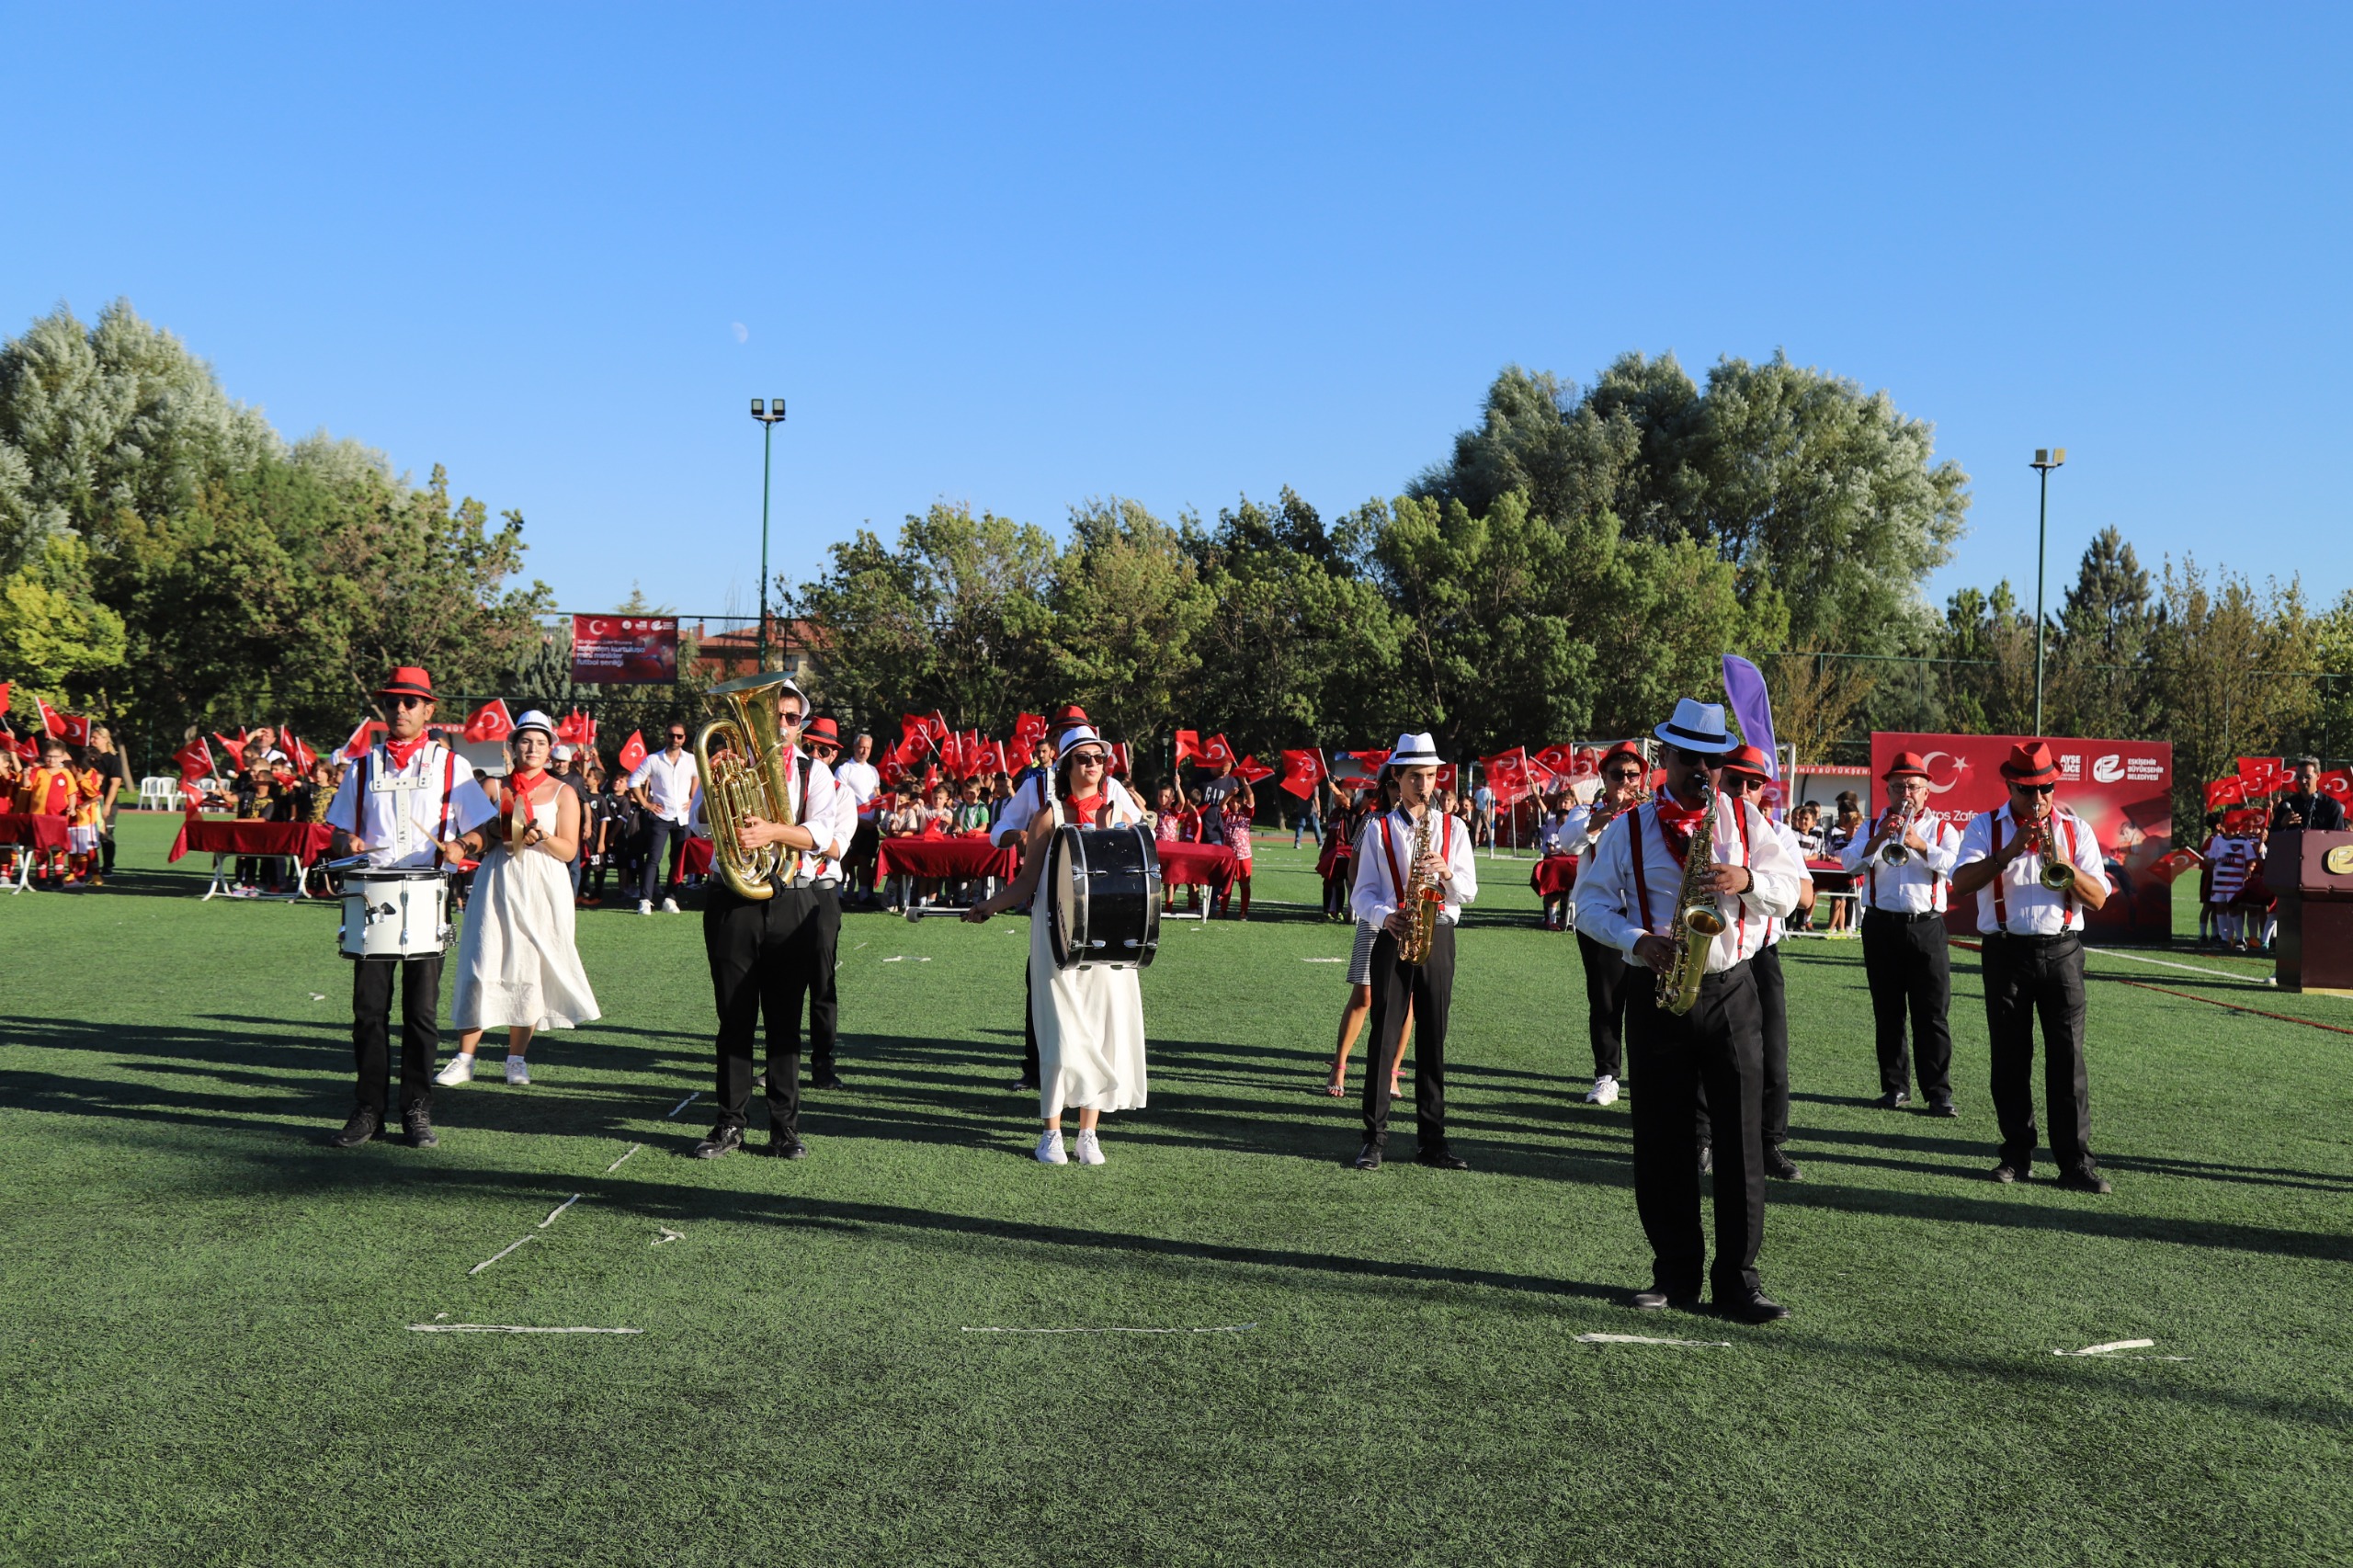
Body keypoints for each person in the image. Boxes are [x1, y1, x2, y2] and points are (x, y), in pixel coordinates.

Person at [1574, 699, 1802, 1324]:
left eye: (1711, 760)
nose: (1701, 769)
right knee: (1662, 1142)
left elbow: (1792, 890)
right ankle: (1673, 1274)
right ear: (1666, 758)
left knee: (1741, 1143)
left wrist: (1746, 880)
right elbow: (1589, 906)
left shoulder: (1748, 821)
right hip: (1659, 991)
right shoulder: (1629, 826)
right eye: (1688, 758)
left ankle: (1739, 1281)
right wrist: (1636, 941)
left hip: (1732, 990)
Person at [324, 665, 498, 1150]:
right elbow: (338, 831)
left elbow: (484, 830)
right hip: (372, 898)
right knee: (368, 1012)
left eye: (409, 702)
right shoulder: (362, 767)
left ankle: (416, 1109)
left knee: (421, 1013)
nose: (399, 709)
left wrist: (461, 845)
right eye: (392, 702)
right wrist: (347, 841)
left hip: (427, 895)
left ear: (428, 709)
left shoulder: (452, 765)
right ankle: (368, 1110)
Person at [963, 724, 1148, 1165]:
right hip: (1055, 936)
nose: (1093, 765)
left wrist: (1126, 823)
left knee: (1102, 1033)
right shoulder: (1048, 816)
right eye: (1084, 758)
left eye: (1099, 758)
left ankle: (1088, 1134)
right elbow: (1027, 881)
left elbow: (1139, 864)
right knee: (1059, 1034)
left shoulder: (1117, 812)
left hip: (1106, 939)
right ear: (1066, 766)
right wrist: (989, 906)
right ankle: (1050, 1132)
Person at [1949, 740, 2114, 1192]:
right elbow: (1961, 883)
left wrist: (2062, 864)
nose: (2038, 799)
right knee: (2009, 1058)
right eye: (2027, 790)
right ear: (2010, 786)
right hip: (2006, 952)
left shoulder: (2076, 829)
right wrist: (2008, 853)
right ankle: (2016, 1156)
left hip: (2063, 952)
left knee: (2068, 1060)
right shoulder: (1984, 826)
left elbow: (2098, 898)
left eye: (2046, 789)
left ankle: (2075, 1163)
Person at [690, 678, 842, 1160]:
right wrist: (714, 783)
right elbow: (697, 823)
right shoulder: (728, 763)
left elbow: (822, 834)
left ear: (800, 726)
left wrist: (772, 831)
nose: (781, 725)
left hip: (792, 899)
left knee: (784, 1021)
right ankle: (730, 1123)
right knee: (733, 1018)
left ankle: (784, 1128)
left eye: (791, 718)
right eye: (773, 714)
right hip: (733, 898)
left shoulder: (815, 772)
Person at [438, 712, 602, 1087]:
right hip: (498, 878)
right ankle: (464, 1058)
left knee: (529, 970)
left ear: (550, 749)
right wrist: (481, 837)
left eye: (541, 742)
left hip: (543, 885)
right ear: (513, 746)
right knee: (481, 961)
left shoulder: (563, 792)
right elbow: (479, 836)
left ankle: (516, 1060)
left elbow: (568, 850)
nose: (533, 748)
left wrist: (541, 836)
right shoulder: (494, 787)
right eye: (526, 741)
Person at [1347, 733, 1478, 1173]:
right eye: (1415, 777)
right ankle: (1374, 1139)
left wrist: (1446, 874)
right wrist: (1385, 916)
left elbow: (1469, 891)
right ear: (1397, 780)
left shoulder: (1454, 828)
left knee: (1433, 1039)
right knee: (1384, 1038)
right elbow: (1361, 892)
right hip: (1394, 934)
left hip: (1438, 934)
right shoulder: (1378, 828)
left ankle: (1432, 1141)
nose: (1425, 785)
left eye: (1431, 776)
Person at [1842, 751, 1962, 1116]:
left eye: (1912, 787)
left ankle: (1938, 1093)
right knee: (1888, 1011)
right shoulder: (1871, 827)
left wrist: (1919, 844)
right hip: (1881, 926)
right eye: (1898, 787)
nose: (1905, 794)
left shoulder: (1942, 829)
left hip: (1927, 927)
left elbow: (1955, 866)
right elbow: (1849, 863)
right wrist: (1881, 837)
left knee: (1932, 1013)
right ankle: (1895, 1087)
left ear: (1926, 792)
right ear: (1888, 791)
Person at [1715, 745, 1813, 1180]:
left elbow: (1806, 897)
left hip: (1760, 955)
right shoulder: (1704, 825)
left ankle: (1769, 1142)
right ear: (1720, 781)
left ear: (1763, 790)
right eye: (1734, 781)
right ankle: (1703, 1138)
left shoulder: (1779, 832)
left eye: (1753, 784)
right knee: (1710, 1052)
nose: (1743, 790)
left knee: (1772, 1053)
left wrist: (1752, 881)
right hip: (1714, 954)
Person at [1565, 741, 1648, 1107]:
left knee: (1650, 1001)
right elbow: (1569, 842)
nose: (1626, 781)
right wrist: (1608, 812)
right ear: (1603, 776)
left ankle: (1649, 1075)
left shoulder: (1651, 813)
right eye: (1618, 774)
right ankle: (1607, 1075)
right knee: (1606, 1000)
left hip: (1646, 917)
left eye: (1633, 775)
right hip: (1601, 919)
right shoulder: (1586, 811)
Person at [1326, 772, 1410, 1098]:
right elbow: (1354, 869)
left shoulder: (1428, 823)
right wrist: (1364, 904)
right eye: (1393, 783)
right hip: (1375, 916)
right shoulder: (1372, 821)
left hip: (1412, 919)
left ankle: (1391, 1072)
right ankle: (1339, 1065)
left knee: (1407, 1001)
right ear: (1385, 787)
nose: (1398, 790)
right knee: (1365, 995)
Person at [795, 715, 856, 1089]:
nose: (815, 754)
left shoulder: (842, 792)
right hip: (786, 888)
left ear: (834, 755)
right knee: (781, 982)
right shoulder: (785, 783)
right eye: (809, 747)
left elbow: (835, 847)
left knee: (821, 981)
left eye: (824, 750)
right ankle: (780, 1061)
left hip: (820, 889)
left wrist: (794, 835)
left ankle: (822, 1064)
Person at [627, 720, 699, 915]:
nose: (675, 739)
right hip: (661, 816)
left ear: (684, 739)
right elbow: (634, 781)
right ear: (665, 736)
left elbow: (698, 776)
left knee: (678, 860)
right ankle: (645, 900)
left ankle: (670, 898)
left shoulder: (690, 759)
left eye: (679, 736)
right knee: (653, 858)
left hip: (683, 817)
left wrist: (693, 799)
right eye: (671, 735)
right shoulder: (653, 759)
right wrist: (646, 804)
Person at [834, 731, 884, 906]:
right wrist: (858, 820)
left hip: (870, 825)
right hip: (851, 824)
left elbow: (877, 795)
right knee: (845, 859)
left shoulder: (873, 771)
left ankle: (863, 895)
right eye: (861, 747)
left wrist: (876, 817)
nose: (864, 751)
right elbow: (840, 798)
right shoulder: (844, 769)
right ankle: (838, 894)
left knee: (865, 859)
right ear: (855, 747)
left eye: (867, 748)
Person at [85, 723, 126, 884]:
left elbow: (115, 784)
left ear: (105, 739)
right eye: (91, 737)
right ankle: (89, 867)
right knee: (88, 835)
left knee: (106, 835)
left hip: (105, 802)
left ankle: (108, 866)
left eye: (95, 737)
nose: (92, 740)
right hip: (89, 802)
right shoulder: (88, 759)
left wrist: (107, 805)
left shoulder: (112, 760)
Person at [1534, 786, 1578, 931]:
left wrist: (1576, 794)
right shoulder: (1552, 818)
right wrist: (1534, 790)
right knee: (1551, 890)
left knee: (1567, 891)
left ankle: (1565, 918)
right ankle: (1549, 918)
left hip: (1569, 861)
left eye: (1566, 802)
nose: (1563, 805)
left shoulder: (1575, 819)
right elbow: (1540, 803)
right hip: (1553, 859)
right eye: (1560, 802)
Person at [1216, 770, 1256, 919]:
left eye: (1238, 801)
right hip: (1229, 856)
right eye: (1233, 801)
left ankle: (1243, 911)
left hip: (1244, 856)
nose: (1235, 804)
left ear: (1243, 802)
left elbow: (1251, 797)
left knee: (1244, 884)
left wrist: (1244, 782)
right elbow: (1221, 804)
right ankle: (1223, 910)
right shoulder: (1227, 814)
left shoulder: (1247, 814)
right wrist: (1229, 794)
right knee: (1227, 884)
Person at [2271, 756, 2347, 833]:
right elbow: (2272, 836)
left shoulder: (2331, 806)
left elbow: (2338, 837)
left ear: (2318, 776)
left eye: (2308, 777)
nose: (2303, 781)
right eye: (2299, 777)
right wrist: (2282, 825)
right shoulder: (2286, 806)